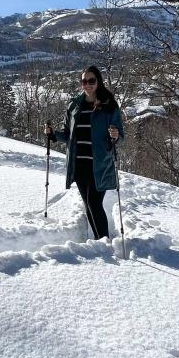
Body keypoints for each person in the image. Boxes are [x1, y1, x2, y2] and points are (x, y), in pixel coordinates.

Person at [45, 65, 124, 240]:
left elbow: (120, 136)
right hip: (79, 165)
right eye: (83, 81)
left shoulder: (109, 105)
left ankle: (104, 242)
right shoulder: (74, 105)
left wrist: (116, 135)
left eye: (91, 80)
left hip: (100, 165)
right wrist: (53, 135)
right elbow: (68, 135)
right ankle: (100, 240)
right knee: (88, 205)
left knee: (94, 203)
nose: (87, 84)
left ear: (98, 82)